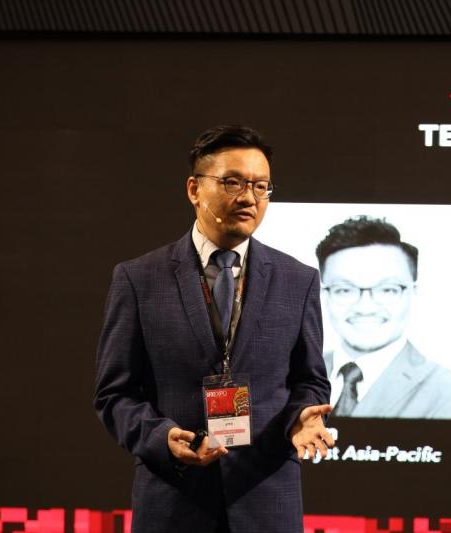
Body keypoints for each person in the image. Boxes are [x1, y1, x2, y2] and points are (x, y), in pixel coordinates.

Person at [95, 125, 334, 533]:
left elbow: (309, 381)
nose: (249, 198)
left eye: (261, 186)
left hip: (266, 504)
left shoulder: (299, 280)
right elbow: (114, 393)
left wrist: (303, 418)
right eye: (232, 182)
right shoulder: (139, 279)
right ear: (194, 189)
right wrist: (161, 437)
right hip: (173, 503)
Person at [315, 215, 451, 420]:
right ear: (324, 295)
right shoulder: (292, 375)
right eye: (344, 290)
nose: (365, 307)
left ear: (413, 293)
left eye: (387, 289)